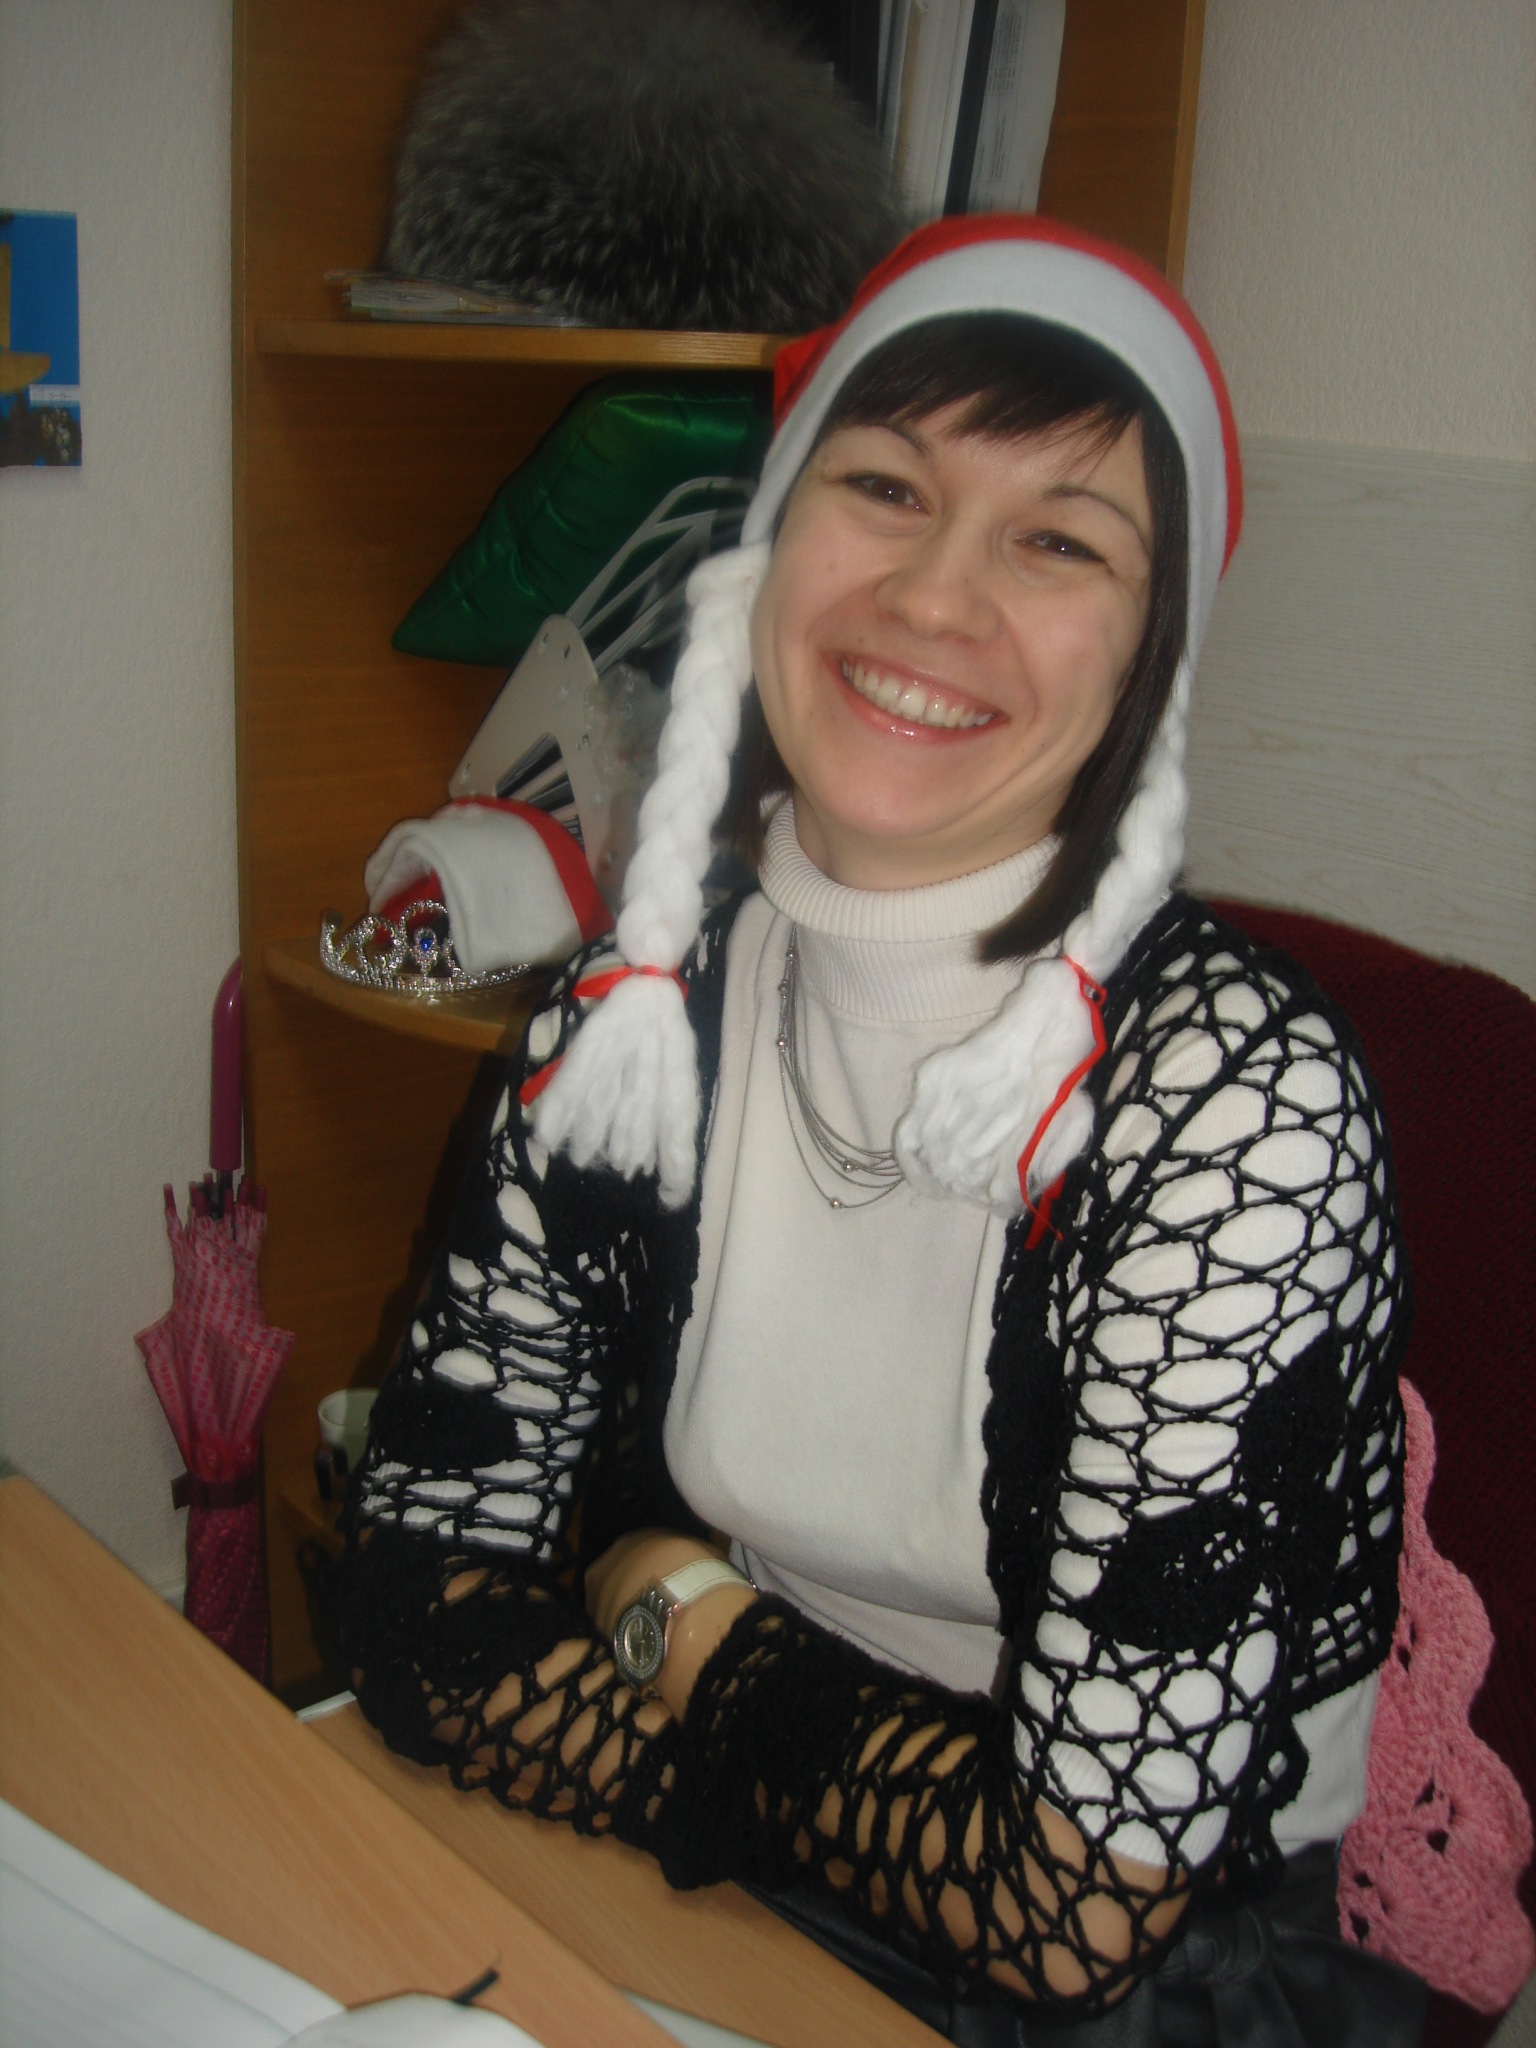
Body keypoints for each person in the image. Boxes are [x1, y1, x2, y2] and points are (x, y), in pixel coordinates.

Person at [334, 217, 1421, 2044]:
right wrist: (725, 1722)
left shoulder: (1240, 1109)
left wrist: (673, 1618)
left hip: (1154, 1980)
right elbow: (415, 1596)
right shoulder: (636, 1021)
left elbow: (1076, 1908)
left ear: (1150, 661)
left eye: (1059, 539)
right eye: (887, 487)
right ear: (769, 543)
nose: (933, 598)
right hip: (758, 1841)